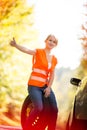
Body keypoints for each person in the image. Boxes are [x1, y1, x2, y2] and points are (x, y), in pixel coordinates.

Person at [10, 34, 58, 130]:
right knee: (39, 108)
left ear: (55, 45)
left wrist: (49, 87)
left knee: (54, 110)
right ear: (46, 41)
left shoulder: (54, 59)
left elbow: (52, 74)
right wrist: (16, 45)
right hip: (34, 86)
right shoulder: (38, 52)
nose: (51, 42)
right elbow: (27, 50)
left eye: (54, 42)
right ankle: (27, 128)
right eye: (50, 40)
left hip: (45, 86)